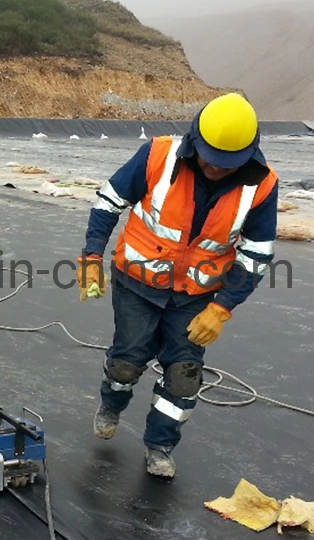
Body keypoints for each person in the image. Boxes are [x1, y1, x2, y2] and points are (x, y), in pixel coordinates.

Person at [76, 92, 278, 478]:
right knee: (126, 363)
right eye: (209, 159)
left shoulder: (262, 186)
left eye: (226, 164)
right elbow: (108, 202)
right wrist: (91, 257)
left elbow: (256, 254)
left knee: (184, 377)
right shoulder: (157, 156)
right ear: (194, 140)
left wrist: (222, 308)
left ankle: (160, 446)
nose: (215, 169)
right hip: (137, 284)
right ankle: (111, 404)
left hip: (196, 297)